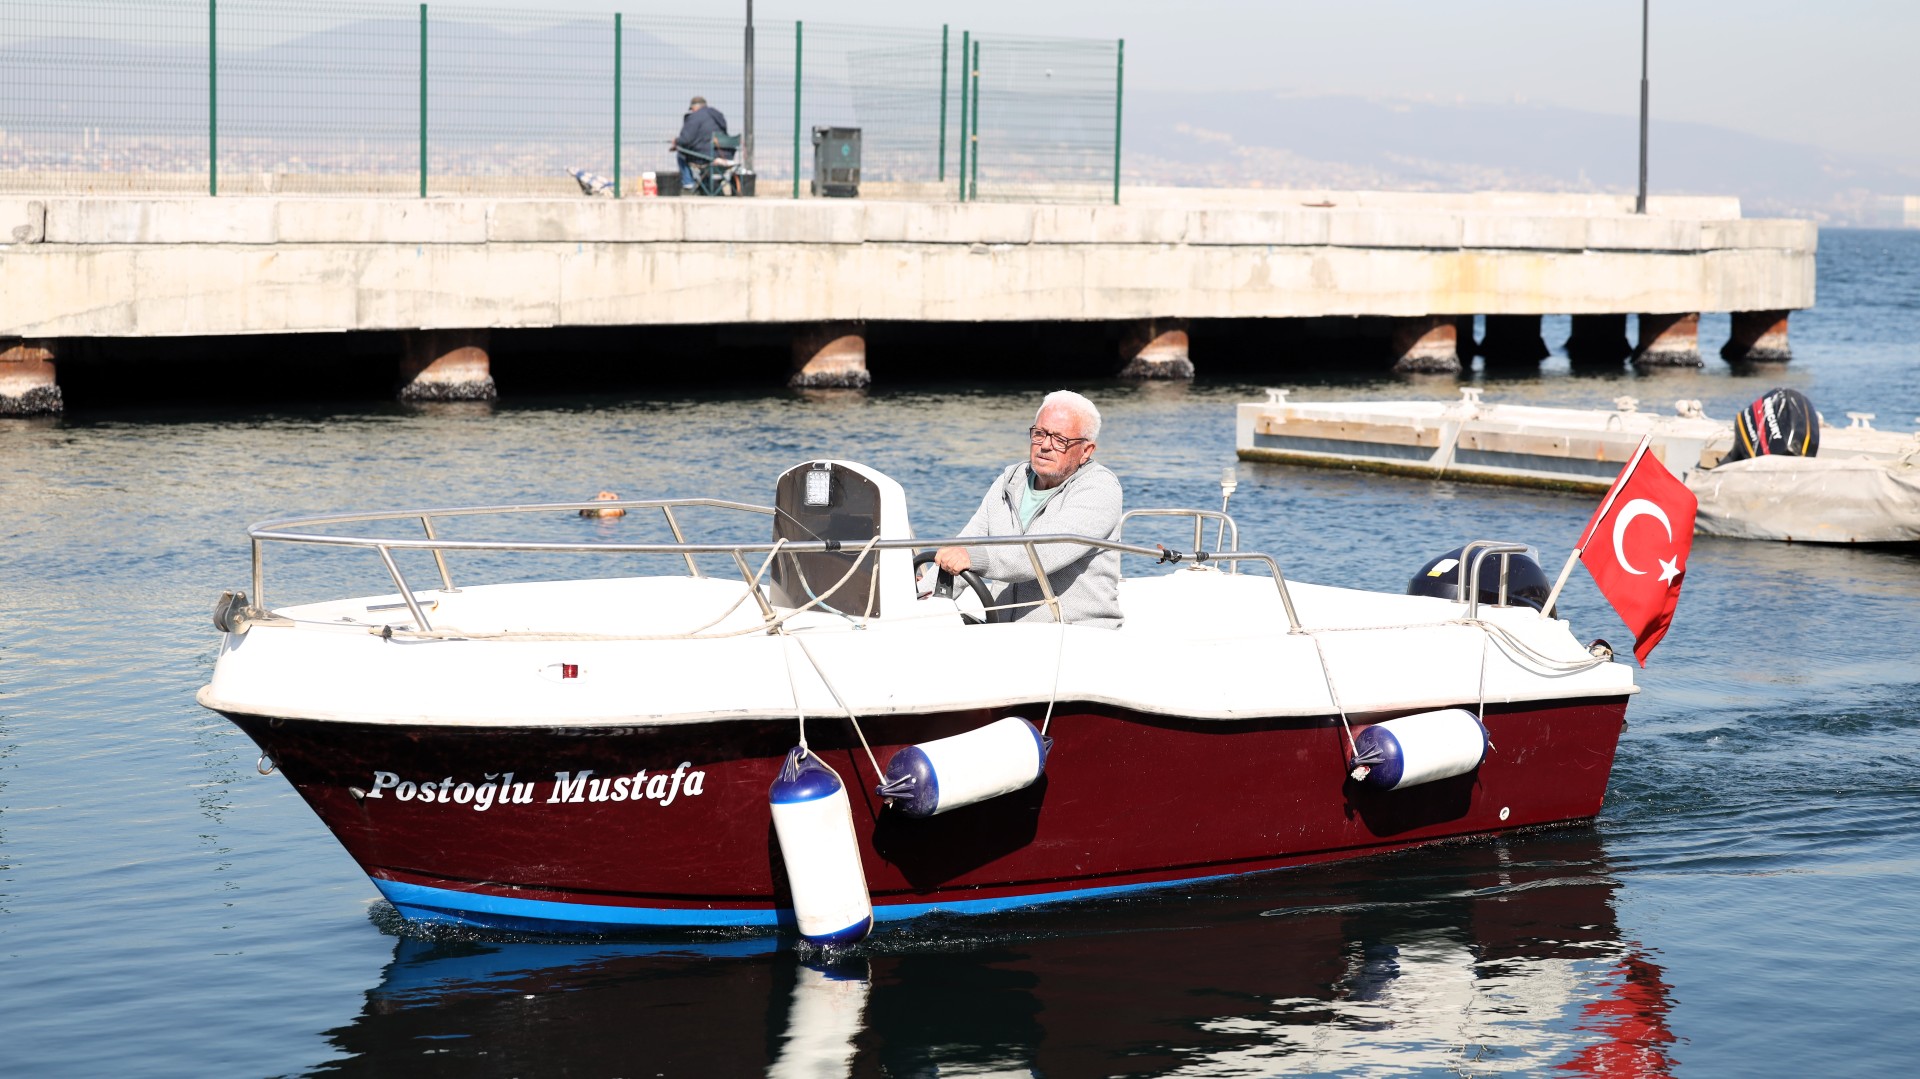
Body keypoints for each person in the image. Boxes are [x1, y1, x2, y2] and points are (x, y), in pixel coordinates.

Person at [935, 390, 1124, 628]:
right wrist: (919, 596)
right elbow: (967, 543)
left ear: (1086, 451)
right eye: (1039, 433)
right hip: (1007, 632)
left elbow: (1041, 554)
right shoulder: (1010, 481)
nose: (1045, 445)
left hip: (1076, 634)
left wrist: (972, 559)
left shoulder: (1100, 489)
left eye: (1060, 440)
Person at [670, 96, 729, 191]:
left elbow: (685, 140)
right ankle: (706, 185)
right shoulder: (718, 115)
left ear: (694, 107)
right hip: (726, 155)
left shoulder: (695, 117)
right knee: (702, 152)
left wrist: (676, 141)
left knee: (681, 153)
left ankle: (688, 184)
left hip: (706, 157)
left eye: (692, 109)